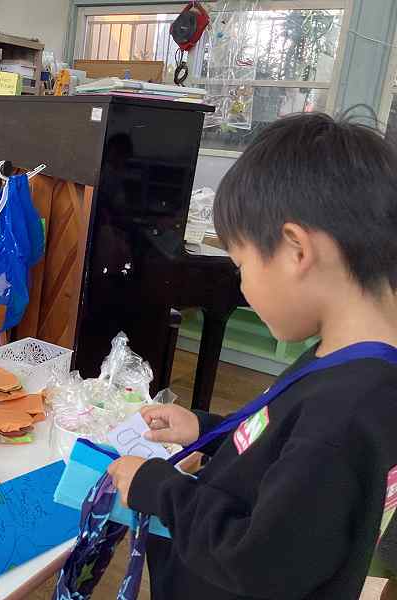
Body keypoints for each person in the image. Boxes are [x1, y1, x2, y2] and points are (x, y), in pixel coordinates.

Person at [107, 113, 397, 599]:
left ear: (295, 250)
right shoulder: (346, 363)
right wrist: (207, 429)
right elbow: (285, 450)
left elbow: (261, 563)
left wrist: (159, 489)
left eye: (241, 265)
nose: (241, 284)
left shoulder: (346, 411)